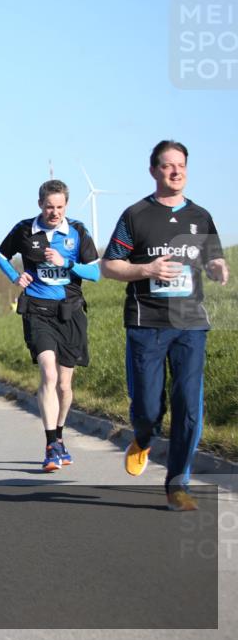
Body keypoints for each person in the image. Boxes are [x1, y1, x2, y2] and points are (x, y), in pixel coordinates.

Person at [101, 140, 228, 512]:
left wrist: (218, 267)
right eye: (168, 166)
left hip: (191, 325)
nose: (177, 172)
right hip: (147, 324)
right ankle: (142, 438)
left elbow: (214, 258)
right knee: (147, 409)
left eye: (182, 165)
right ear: (154, 170)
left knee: (189, 406)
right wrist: (147, 269)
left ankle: (178, 484)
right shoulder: (136, 215)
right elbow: (110, 266)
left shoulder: (201, 217)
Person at [0, 180, 100, 472]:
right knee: (48, 373)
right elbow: (0, 256)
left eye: (59, 207)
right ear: (40, 204)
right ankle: (51, 443)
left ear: (66, 205)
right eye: (49, 207)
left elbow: (96, 273)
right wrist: (15, 276)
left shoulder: (77, 231)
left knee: (65, 386)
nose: (54, 213)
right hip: (37, 310)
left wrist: (68, 263)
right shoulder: (24, 229)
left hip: (70, 312)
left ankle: (59, 436)